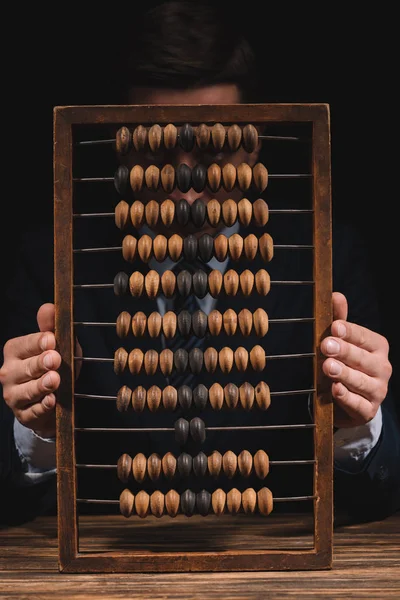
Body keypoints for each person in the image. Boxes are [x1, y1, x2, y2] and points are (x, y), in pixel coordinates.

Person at [1, 1, 399, 527]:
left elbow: (386, 487)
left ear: (253, 145)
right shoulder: (53, 258)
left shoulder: (327, 255)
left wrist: (356, 424)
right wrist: (37, 428)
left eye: (213, 150)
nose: (186, 188)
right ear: (122, 148)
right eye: (158, 150)